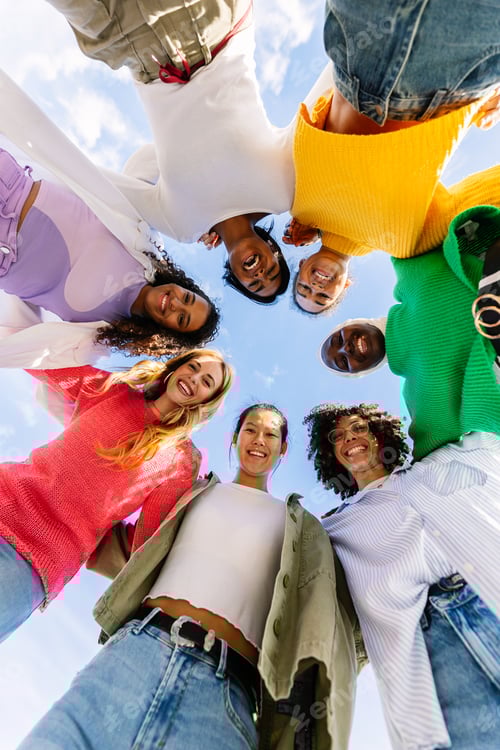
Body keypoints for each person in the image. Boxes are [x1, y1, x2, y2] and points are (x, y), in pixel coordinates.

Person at [44, 1, 500, 309]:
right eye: (274, 273)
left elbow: (103, 181)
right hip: (210, 25)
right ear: (276, 250)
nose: (260, 272)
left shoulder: (182, 225)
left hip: (127, 45)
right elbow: (322, 100)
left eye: (253, 283)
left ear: (234, 275)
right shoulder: (285, 191)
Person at [17, 403, 365, 750]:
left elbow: (336, 619)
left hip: (227, 690)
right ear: (235, 437)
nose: (259, 439)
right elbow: (119, 533)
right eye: (251, 429)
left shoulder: (300, 526)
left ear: (282, 448)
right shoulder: (193, 491)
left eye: (271, 434)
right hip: (135, 652)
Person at [0, 349, 232, 643]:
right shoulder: (115, 391)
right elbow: (39, 359)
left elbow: (146, 543)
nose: (194, 378)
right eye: (193, 367)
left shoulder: (180, 461)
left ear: (206, 401)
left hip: (37, 559)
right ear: (176, 368)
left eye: (206, 381)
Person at [303, 402, 500, 750]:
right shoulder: (331, 528)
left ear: (380, 435)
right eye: (338, 436)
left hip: (490, 596)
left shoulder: (439, 463)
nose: (350, 438)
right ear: (331, 454)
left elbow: (489, 424)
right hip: (430, 640)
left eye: (359, 428)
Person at [0, 143, 220, 367]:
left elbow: (35, 350)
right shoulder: (145, 246)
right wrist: (199, 218)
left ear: (171, 335)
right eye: (187, 298)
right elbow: (150, 161)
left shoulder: (100, 334)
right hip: (10, 184)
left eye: (182, 318)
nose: (176, 303)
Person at [319, 205, 500, 460]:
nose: (345, 348)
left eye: (338, 339)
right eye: (342, 362)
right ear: (361, 371)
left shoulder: (409, 277)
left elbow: (400, 218)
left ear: (354, 323)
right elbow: (426, 456)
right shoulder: (418, 397)